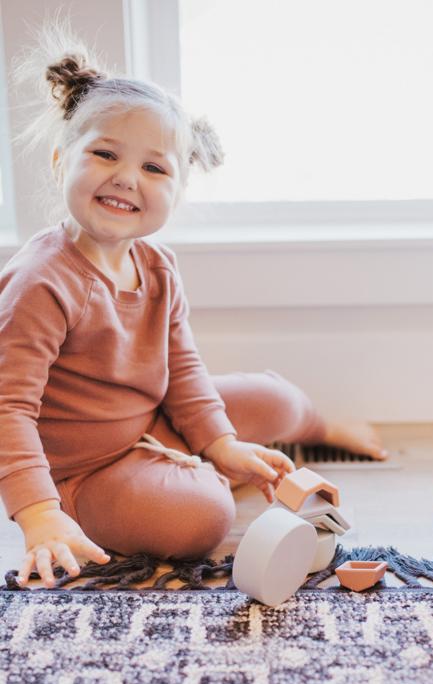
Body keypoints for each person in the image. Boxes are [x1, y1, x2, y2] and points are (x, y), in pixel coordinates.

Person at [1, 34, 386, 589]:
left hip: (152, 423)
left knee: (272, 399)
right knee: (203, 517)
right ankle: (173, 485)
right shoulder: (40, 282)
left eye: (154, 168)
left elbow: (183, 370)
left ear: (177, 193)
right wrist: (38, 511)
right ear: (62, 162)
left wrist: (220, 442)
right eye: (105, 154)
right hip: (83, 471)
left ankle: (315, 428)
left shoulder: (157, 265)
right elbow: (7, 410)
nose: (127, 177)